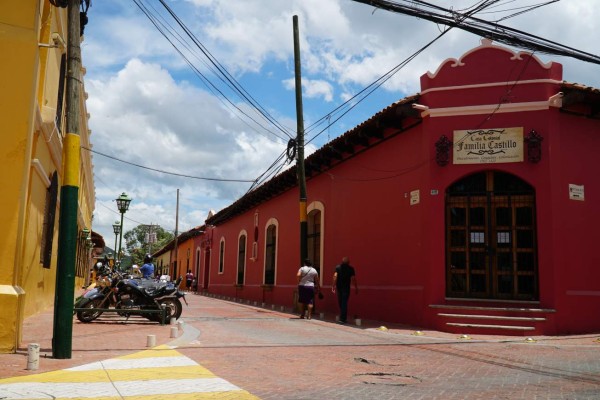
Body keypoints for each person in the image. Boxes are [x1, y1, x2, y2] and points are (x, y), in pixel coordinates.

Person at [332, 256, 358, 324]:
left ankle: (342, 317)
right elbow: (353, 279)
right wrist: (356, 287)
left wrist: (333, 286)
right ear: (349, 262)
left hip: (339, 287)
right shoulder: (351, 269)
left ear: (342, 261)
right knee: (344, 302)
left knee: (341, 302)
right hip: (346, 288)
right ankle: (343, 317)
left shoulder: (338, 267)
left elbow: (335, 276)